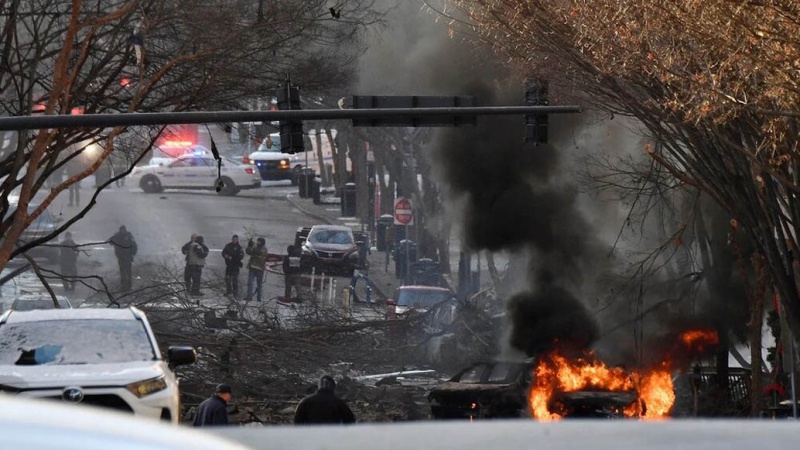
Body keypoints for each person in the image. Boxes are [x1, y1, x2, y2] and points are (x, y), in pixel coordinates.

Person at [109, 225, 137, 290]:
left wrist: (132, 254)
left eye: (123, 230)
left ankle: (128, 285)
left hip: (127, 256)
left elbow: (134, 246)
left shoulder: (129, 236)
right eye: (122, 230)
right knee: (122, 271)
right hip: (121, 256)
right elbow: (110, 242)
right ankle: (124, 285)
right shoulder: (117, 236)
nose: (123, 231)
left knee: (128, 271)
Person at [245, 237, 269, 302]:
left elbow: (258, 252)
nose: (258, 243)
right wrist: (249, 246)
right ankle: (249, 297)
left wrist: (253, 247)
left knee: (259, 284)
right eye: (257, 241)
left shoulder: (264, 249)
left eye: (259, 242)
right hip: (252, 268)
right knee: (250, 283)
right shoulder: (255, 247)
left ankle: (259, 298)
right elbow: (248, 251)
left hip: (259, 269)